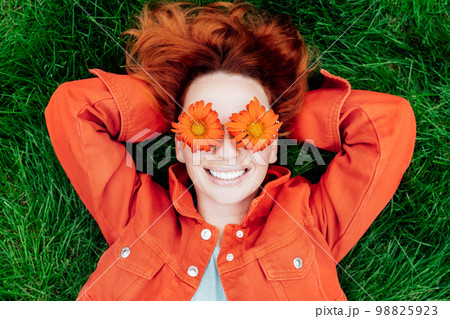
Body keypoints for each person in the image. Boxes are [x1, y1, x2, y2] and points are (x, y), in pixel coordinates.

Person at [44, 0, 416, 300]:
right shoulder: (135, 215)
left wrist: (276, 120)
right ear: (178, 144)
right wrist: (173, 109)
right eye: (204, 129)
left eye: (247, 128)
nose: (227, 149)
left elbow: (387, 123)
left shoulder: (313, 222)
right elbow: (73, 108)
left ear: (275, 147)